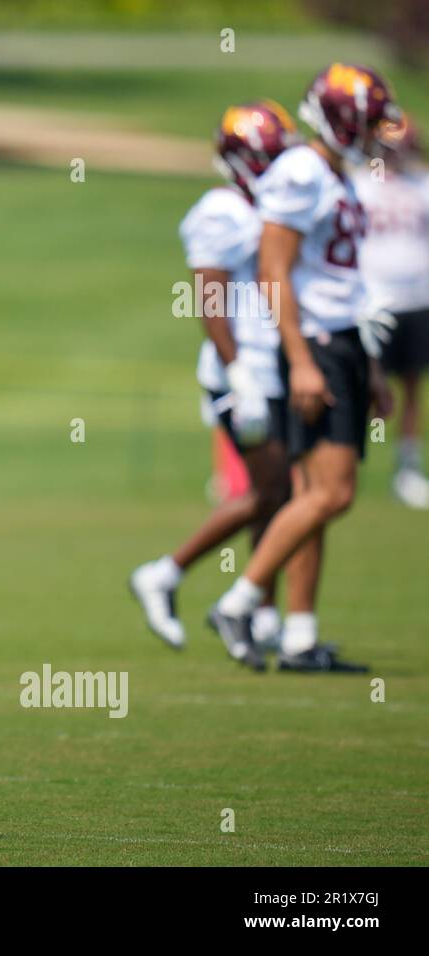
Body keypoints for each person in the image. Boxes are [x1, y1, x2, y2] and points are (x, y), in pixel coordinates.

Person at [210, 64, 401, 673]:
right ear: (344, 119)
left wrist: (367, 366)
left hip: (337, 343)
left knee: (320, 494)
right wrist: (301, 359)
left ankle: (298, 636)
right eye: (369, 122)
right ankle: (239, 602)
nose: (375, 136)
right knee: (331, 493)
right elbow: (274, 270)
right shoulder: (299, 172)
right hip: (314, 344)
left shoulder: (331, 173)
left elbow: (338, 277)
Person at [131, 101, 297, 669]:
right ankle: (167, 573)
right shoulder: (221, 209)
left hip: (272, 365)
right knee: (273, 491)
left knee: (280, 494)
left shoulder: (265, 209)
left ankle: (258, 611)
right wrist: (239, 370)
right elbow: (211, 297)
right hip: (241, 370)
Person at [353, 113, 429, 509]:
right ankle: (348, 462)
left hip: (417, 301)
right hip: (374, 303)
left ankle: (408, 468)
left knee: (412, 387)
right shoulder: (360, 187)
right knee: (367, 387)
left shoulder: (423, 187)